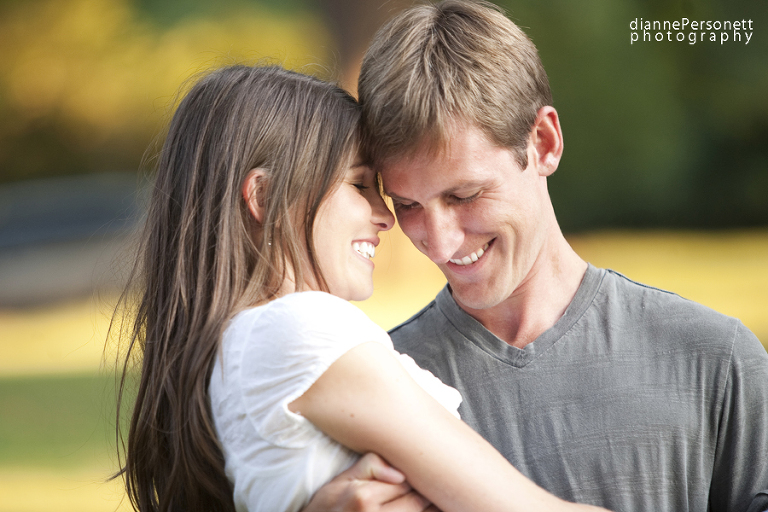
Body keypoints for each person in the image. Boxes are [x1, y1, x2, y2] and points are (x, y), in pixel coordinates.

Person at [304, 2, 768, 512]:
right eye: (408, 204)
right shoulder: (373, 387)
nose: (438, 242)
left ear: (544, 143)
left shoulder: (715, 361)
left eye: (464, 196)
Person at [114, 64, 610, 512]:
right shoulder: (296, 328)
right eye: (359, 184)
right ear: (263, 196)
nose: (384, 216)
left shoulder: (242, 348)